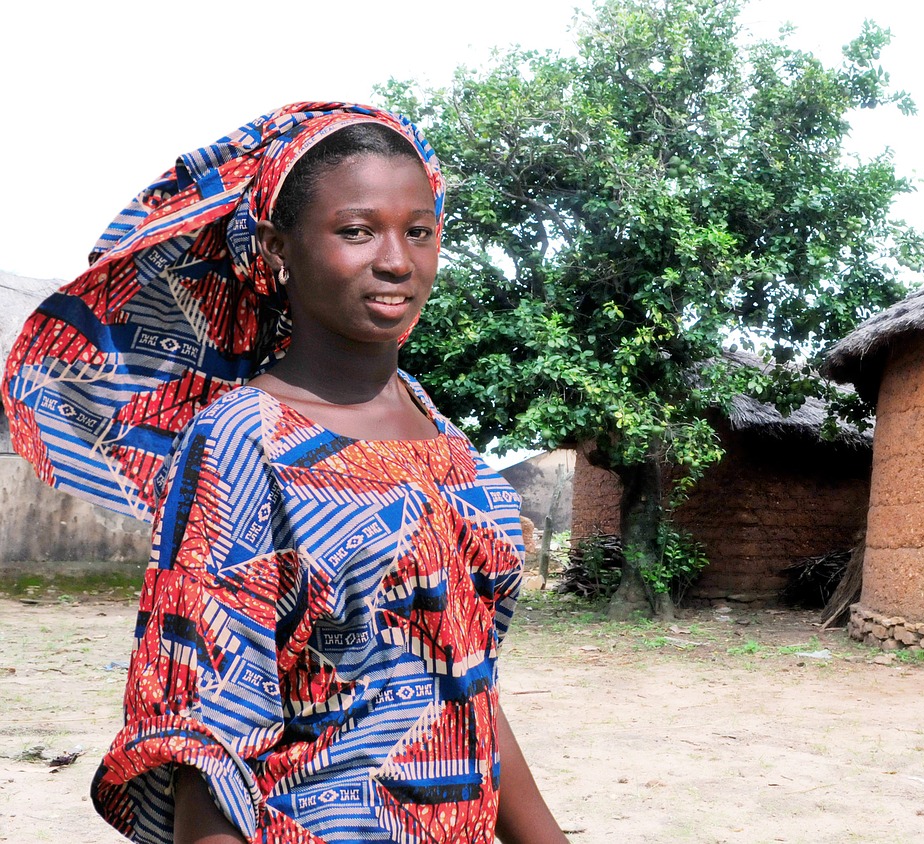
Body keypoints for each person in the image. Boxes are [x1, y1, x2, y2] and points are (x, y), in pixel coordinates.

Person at [1, 103, 567, 844]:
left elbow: (464, 681)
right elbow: (201, 740)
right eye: (357, 230)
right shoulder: (244, 440)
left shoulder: (442, 433)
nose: (398, 259)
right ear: (277, 248)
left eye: (419, 231)